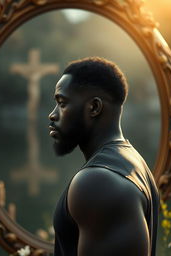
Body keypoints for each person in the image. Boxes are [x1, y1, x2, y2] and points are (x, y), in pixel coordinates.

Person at [48, 57, 159, 256]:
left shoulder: (98, 182)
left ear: (94, 107)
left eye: (62, 103)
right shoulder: (133, 161)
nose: (52, 115)